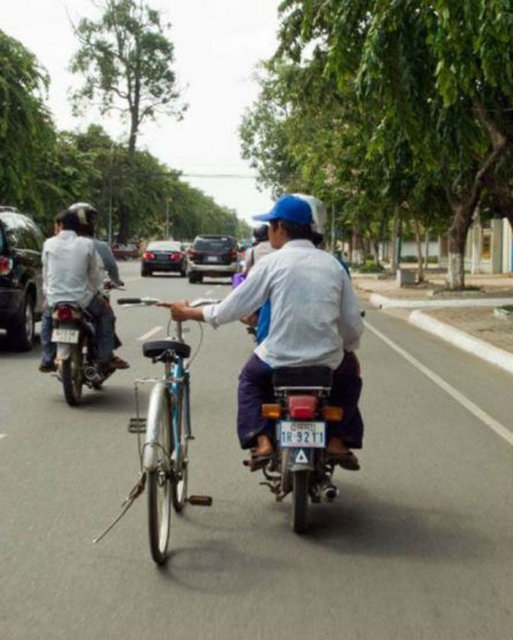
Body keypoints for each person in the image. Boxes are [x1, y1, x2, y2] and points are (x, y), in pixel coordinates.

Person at [159, 194, 365, 470]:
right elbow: (351, 324)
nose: (268, 232)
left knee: (249, 381)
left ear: (280, 227)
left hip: (277, 358)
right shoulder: (333, 265)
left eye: (270, 226)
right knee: (350, 378)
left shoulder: (271, 263)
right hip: (326, 361)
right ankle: (339, 441)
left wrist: (187, 313)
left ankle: (262, 441)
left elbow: (228, 310)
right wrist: (348, 349)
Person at [39, 206, 124, 373]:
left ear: (59, 225)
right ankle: (105, 358)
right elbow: (95, 276)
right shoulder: (86, 244)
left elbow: (46, 273)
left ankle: (48, 358)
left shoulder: (48, 243)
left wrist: (48, 295)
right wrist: (97, 294)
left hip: (55, 298)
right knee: (106, 315)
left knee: (47, 319)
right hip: (81, 299)